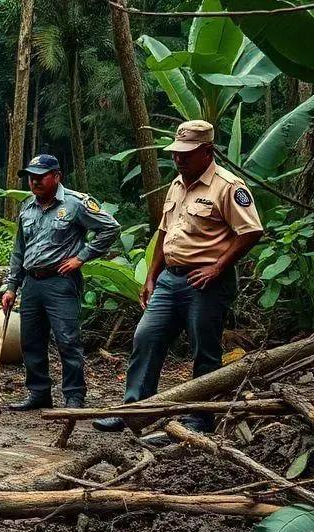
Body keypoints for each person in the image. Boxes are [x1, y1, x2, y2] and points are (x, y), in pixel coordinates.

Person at [94, 120, 264, 433]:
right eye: (176, 153)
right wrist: (151, 276)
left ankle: (199, 419)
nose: (179, 158)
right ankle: (135, 410)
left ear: (208, 150)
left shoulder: (228, 186)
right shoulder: (177, 184)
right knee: (146, 337)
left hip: (206, 282)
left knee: (204, 350)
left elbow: (251, 231)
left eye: (187, 153)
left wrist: (217, 267)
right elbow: (164, 232)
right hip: (170, 279)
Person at [0, 154, 121, 410]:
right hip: (32, 282)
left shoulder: (76, 204)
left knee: (67, 339)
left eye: (40, 176)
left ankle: (74, 396)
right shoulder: (28, 207)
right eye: (31, 177)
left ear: (57, 176)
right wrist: (11, 286)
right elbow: (19, 250)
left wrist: (81, 257)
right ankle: (38, 393)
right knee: (31, 340)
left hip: (61, 281)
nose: (34, 181)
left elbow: (110, 228)